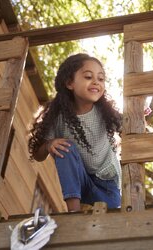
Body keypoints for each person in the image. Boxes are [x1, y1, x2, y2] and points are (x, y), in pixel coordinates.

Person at [28, 53, 122, 211]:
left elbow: (128, 126)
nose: (96, 82)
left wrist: (138, 115)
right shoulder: (57, 117)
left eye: (100, 79)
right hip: (79, 184)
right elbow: (38, 154)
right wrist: (49, 145)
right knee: (64, 146)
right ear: (70, 83)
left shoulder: (105, 112)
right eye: (88, 77)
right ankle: (73, 212)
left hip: (107, 188)